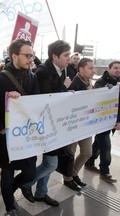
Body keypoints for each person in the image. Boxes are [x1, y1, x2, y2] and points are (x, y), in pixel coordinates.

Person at [0, 39, 38, 216]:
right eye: (27, 55)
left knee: (30, 173)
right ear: (14, 56)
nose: (31, 59)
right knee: (7, 173)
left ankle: (8, 194)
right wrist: (1, 128)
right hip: (6, 137)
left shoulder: (33, 76)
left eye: (32, 55)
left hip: (27, 135)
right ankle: (10, 207)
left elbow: (37, 103)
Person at [21, 40, 72, 207]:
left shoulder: (61, 70)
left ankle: (41, 193)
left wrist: (67, 92)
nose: (69, 59)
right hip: (44, 125)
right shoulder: (43, 72)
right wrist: (64, 88)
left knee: (50, 162)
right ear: (54, 56)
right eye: (66, 55)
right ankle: (26, 183)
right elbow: (46, 100)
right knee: (51, 164)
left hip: (55, 124)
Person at [62, 58, 95, 191]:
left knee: (87, 152)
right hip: (73, 125)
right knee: (70, 153)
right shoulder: (73, 84)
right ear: (81, 69)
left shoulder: (89, 83)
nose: (93, 71)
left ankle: (73, 173)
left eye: (93, 68)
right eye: (90, 68)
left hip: (85, 124)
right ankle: (68, 178)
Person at [85, 60, 120, 183]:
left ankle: (89, 163)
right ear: (109, 69)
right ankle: (105, 171)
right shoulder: (101, 82)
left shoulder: (118, 83)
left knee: (98, 144)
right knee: (106, 146)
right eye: (115, 68)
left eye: (119, 69)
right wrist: (109, 90)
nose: (118, 70)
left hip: (111, 121)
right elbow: (97, 99)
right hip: (100, 121)